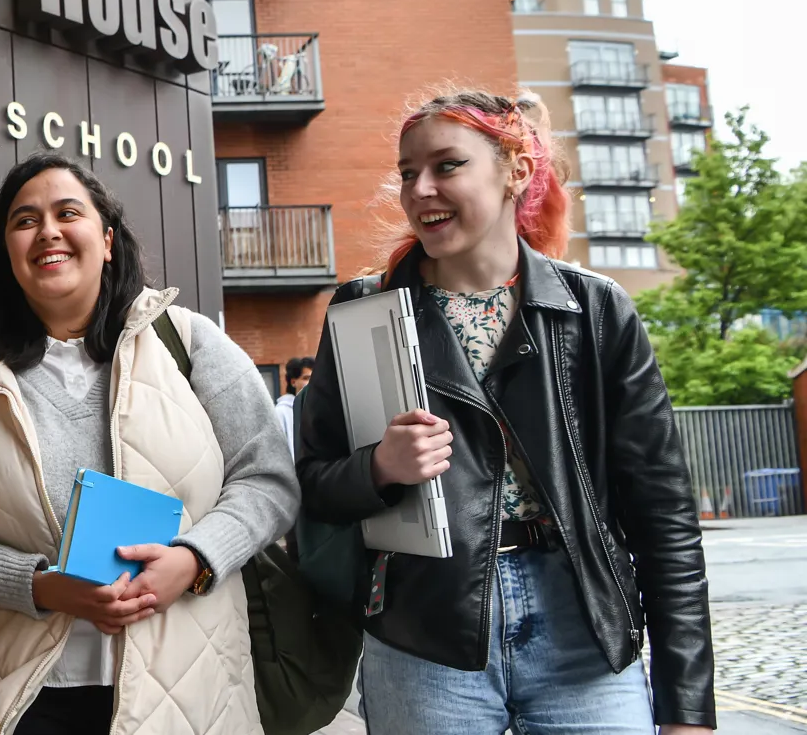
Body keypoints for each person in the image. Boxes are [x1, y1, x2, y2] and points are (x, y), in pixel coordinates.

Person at [295, 89, 715, 734]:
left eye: (447, 166)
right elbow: (312, 482)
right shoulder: (363, 309)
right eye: (408, 173)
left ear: (516, 172)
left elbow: (664, 515)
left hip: (585, 631)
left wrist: (688, 706)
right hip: (423, 633)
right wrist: (378, 468)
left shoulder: (595, 311)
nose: (420, 189)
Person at [0, 152, 300, 735]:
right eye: (24, 220)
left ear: (108, 239)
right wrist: (36, 583)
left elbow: (267, 479)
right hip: (22, 693)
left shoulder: (189, 344)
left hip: (186, 689)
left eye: (68, 212)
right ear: (7, 254)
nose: (48, 231)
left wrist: (196, 560)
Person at [274, 356, 313, 457]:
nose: (311, 383)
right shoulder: (281, 412)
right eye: (306, 378)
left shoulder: (319, 410)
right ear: (293, 382)